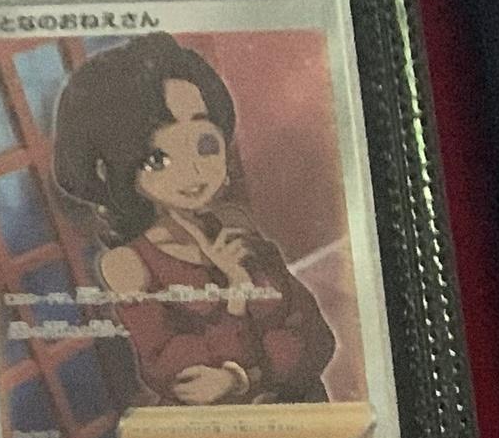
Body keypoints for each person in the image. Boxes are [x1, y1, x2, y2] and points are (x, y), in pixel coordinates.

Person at [51, 32, 336, 413]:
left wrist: (243, 377)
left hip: (305, 412)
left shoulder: (236, 226)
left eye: (204, 144)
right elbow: (182, 377)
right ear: (115, 170)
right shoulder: (129, 265)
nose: (194, 170)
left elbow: (317, 338)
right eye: (158, 158)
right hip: (223, 433)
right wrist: (236, 298)